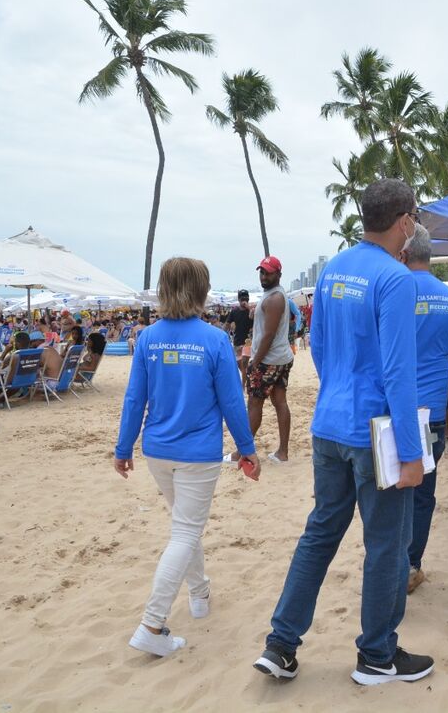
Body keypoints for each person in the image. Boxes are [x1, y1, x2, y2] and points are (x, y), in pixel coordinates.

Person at [255, 178, 433, 686]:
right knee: (387, 544)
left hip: (330, 423)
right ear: (403, 222)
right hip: (373, 431)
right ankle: (377, 655)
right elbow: (400, 373)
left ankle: (281, 643)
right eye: (414, 219)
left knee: (320, 533)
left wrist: (338, 397)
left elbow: (323, 347)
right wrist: (412, 450)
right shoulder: (395, 279)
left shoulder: (334, 270)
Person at [114, 257, 260, 658]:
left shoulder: (148, 338)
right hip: (196, 452)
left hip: (158, 450)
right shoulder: (213, 340)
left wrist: (124, 448)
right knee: (184, 531)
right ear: (200, 289)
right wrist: (247, 450)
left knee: (185, 525)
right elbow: (232, 401)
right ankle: (152, 623)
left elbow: (134, 399)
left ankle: (199, 594)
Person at [401, 224, 448, 594]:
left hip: (389, 414)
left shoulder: (391, 292)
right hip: (431, 417)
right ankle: (411, 565)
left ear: (402, 252)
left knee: (387, 493)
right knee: (422, 494)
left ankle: (388, 563)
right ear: (431, 256)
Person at [246, 255, 295, 464]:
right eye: (262, 272)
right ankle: (282, 452)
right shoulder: (273, 296)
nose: (264, 276)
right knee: (279, 402)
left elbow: (269, 335)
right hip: (281, 357)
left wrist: (255, 361)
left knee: (255, 403)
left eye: (268, 273)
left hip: (269, 360)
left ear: (279, 275)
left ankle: (243, 451)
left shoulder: (274, 298)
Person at [226, 289, 254, 371]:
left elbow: (258, 319)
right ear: (238, 300)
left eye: (246, 299)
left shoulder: (252, 310)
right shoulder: (234, 311)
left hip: (249, 342)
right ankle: (246, 381)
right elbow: (227, 324)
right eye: (242, 299)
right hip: (237, 342)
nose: (244, 301)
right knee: (241, 366)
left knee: (245, 364)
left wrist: (248, 307)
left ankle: (244, 383)